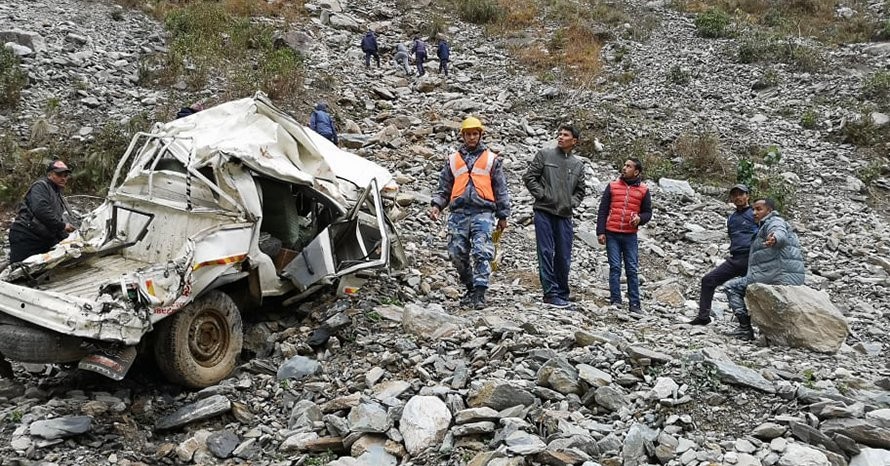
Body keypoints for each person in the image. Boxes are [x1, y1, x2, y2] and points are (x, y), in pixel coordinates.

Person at [429, 117, 510, 309]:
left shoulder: (492, 160)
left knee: (482, 251)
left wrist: (503, 215)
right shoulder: (453, 160)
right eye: (468, 134)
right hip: (458, 213)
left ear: (480, 135)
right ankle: (470, 285)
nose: (472, 137)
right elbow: (444, 188)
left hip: (483, 212)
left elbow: (501, 188)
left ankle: (480, 293)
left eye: (475, 134)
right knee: (456, 253)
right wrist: (437, 206)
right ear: (462, 136)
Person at [522, 125, 586, 308]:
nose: (560, 137)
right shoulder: (545, 154)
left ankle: (562, 292)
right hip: (544, 210)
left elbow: (580, 190)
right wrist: (542, 195)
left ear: (574, 141)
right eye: (559, 134)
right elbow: (529, 177)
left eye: (565, 135)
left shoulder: (577, 164)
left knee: (564, 255)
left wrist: (572, 202)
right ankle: (550, 293)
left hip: (565, 214)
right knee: (546, 252)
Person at [723, 198, 804, 340]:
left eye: (759, 209)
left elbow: (779, 233)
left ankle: (744, 329)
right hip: (782, 273)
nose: (754, 212)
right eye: (753, 209)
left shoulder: (774, 221)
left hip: (777, 275)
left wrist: (775, 238)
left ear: (769, 211)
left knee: (732, 287)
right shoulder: (766, 224)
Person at [689, 184, 757, 325]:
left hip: (752, 258)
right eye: (735, 195)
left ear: (747, 196)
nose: (738, 197)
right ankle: (703, 317)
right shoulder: (732, 218)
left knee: (749, 291)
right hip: (736, 258)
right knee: (708, 280)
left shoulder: (754, 214)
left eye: (741, 194)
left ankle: (748, 326)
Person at [596, 159, 652, 314]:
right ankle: (616, 300)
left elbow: (648, 212)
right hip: (612, 232)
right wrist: (600, 231)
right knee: (615, 267)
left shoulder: (643, 190)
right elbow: (603, 210)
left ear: (636, 172)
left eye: (629, 166)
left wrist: (640, 219)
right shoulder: (613, 186)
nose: (624, 168)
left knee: (632, 269)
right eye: (625, 165)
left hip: (630, 235)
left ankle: (635, 304)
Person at [8, 160, 77, 263]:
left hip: (42, 239)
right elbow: (41, 210)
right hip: (26, 236)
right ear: (49, 174)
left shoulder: (57, 194)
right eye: (59, 174)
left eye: (66, 175)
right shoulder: (41, 186)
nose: (63, 178)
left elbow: (54, 222)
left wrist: (70, 238)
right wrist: (62, 226)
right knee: (20, 272)